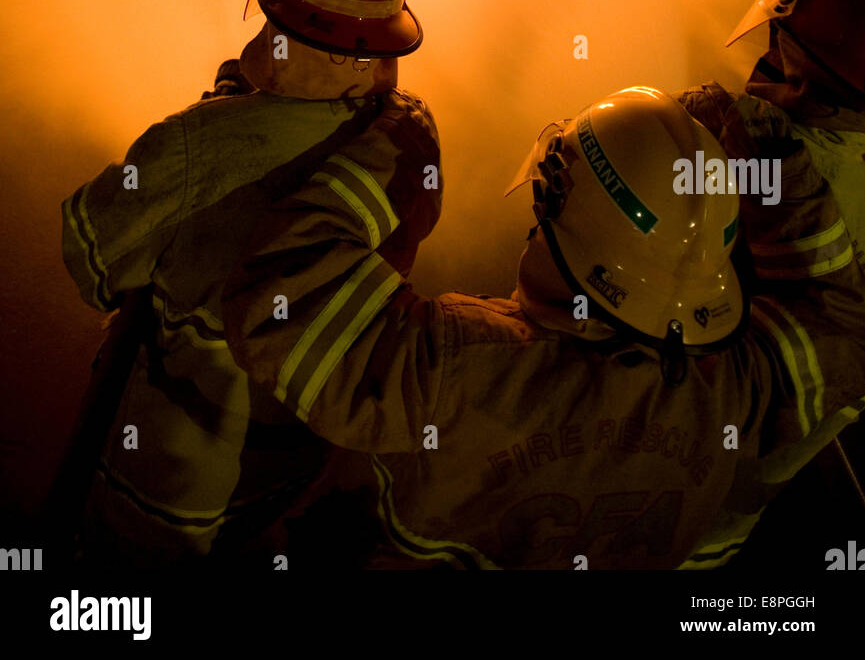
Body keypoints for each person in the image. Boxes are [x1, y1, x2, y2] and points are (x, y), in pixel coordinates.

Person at [222, 84, 865, 570]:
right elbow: (839, 324)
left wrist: (395, 140)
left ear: (555, 200)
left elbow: (282, 293)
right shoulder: (733, 391)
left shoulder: (452, 366)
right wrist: (770, 154)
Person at [59, 0, 441, 566]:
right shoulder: (408, 136)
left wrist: (212, 133)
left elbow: (90, 260)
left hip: (166, 500)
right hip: (289, 477)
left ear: (270, 3)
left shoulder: (192, 148)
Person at [675, 0, 865, 568]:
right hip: (740, 497)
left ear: (806, 80)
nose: (763, 60)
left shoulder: (766, 163)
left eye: (777, 48)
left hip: (653, 458)